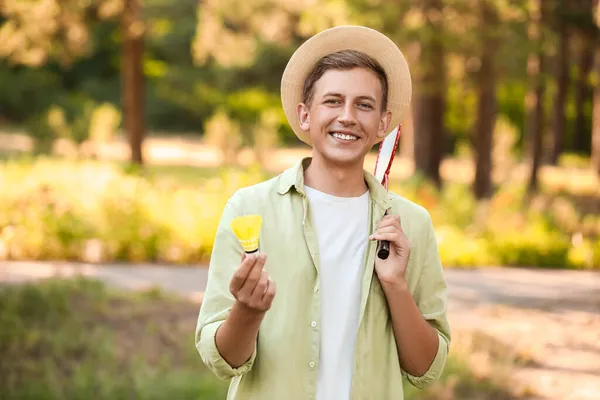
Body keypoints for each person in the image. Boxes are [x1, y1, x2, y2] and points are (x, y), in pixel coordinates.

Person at [196, 25, 451, 400]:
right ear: (305, 115)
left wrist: (396, 285)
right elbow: (222, 360)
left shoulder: (410, 225)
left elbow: (425, 368)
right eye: (333, 101)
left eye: (364, 105)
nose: (347, 117)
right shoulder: (250, 209)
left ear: (383, 123)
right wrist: (247, 312)